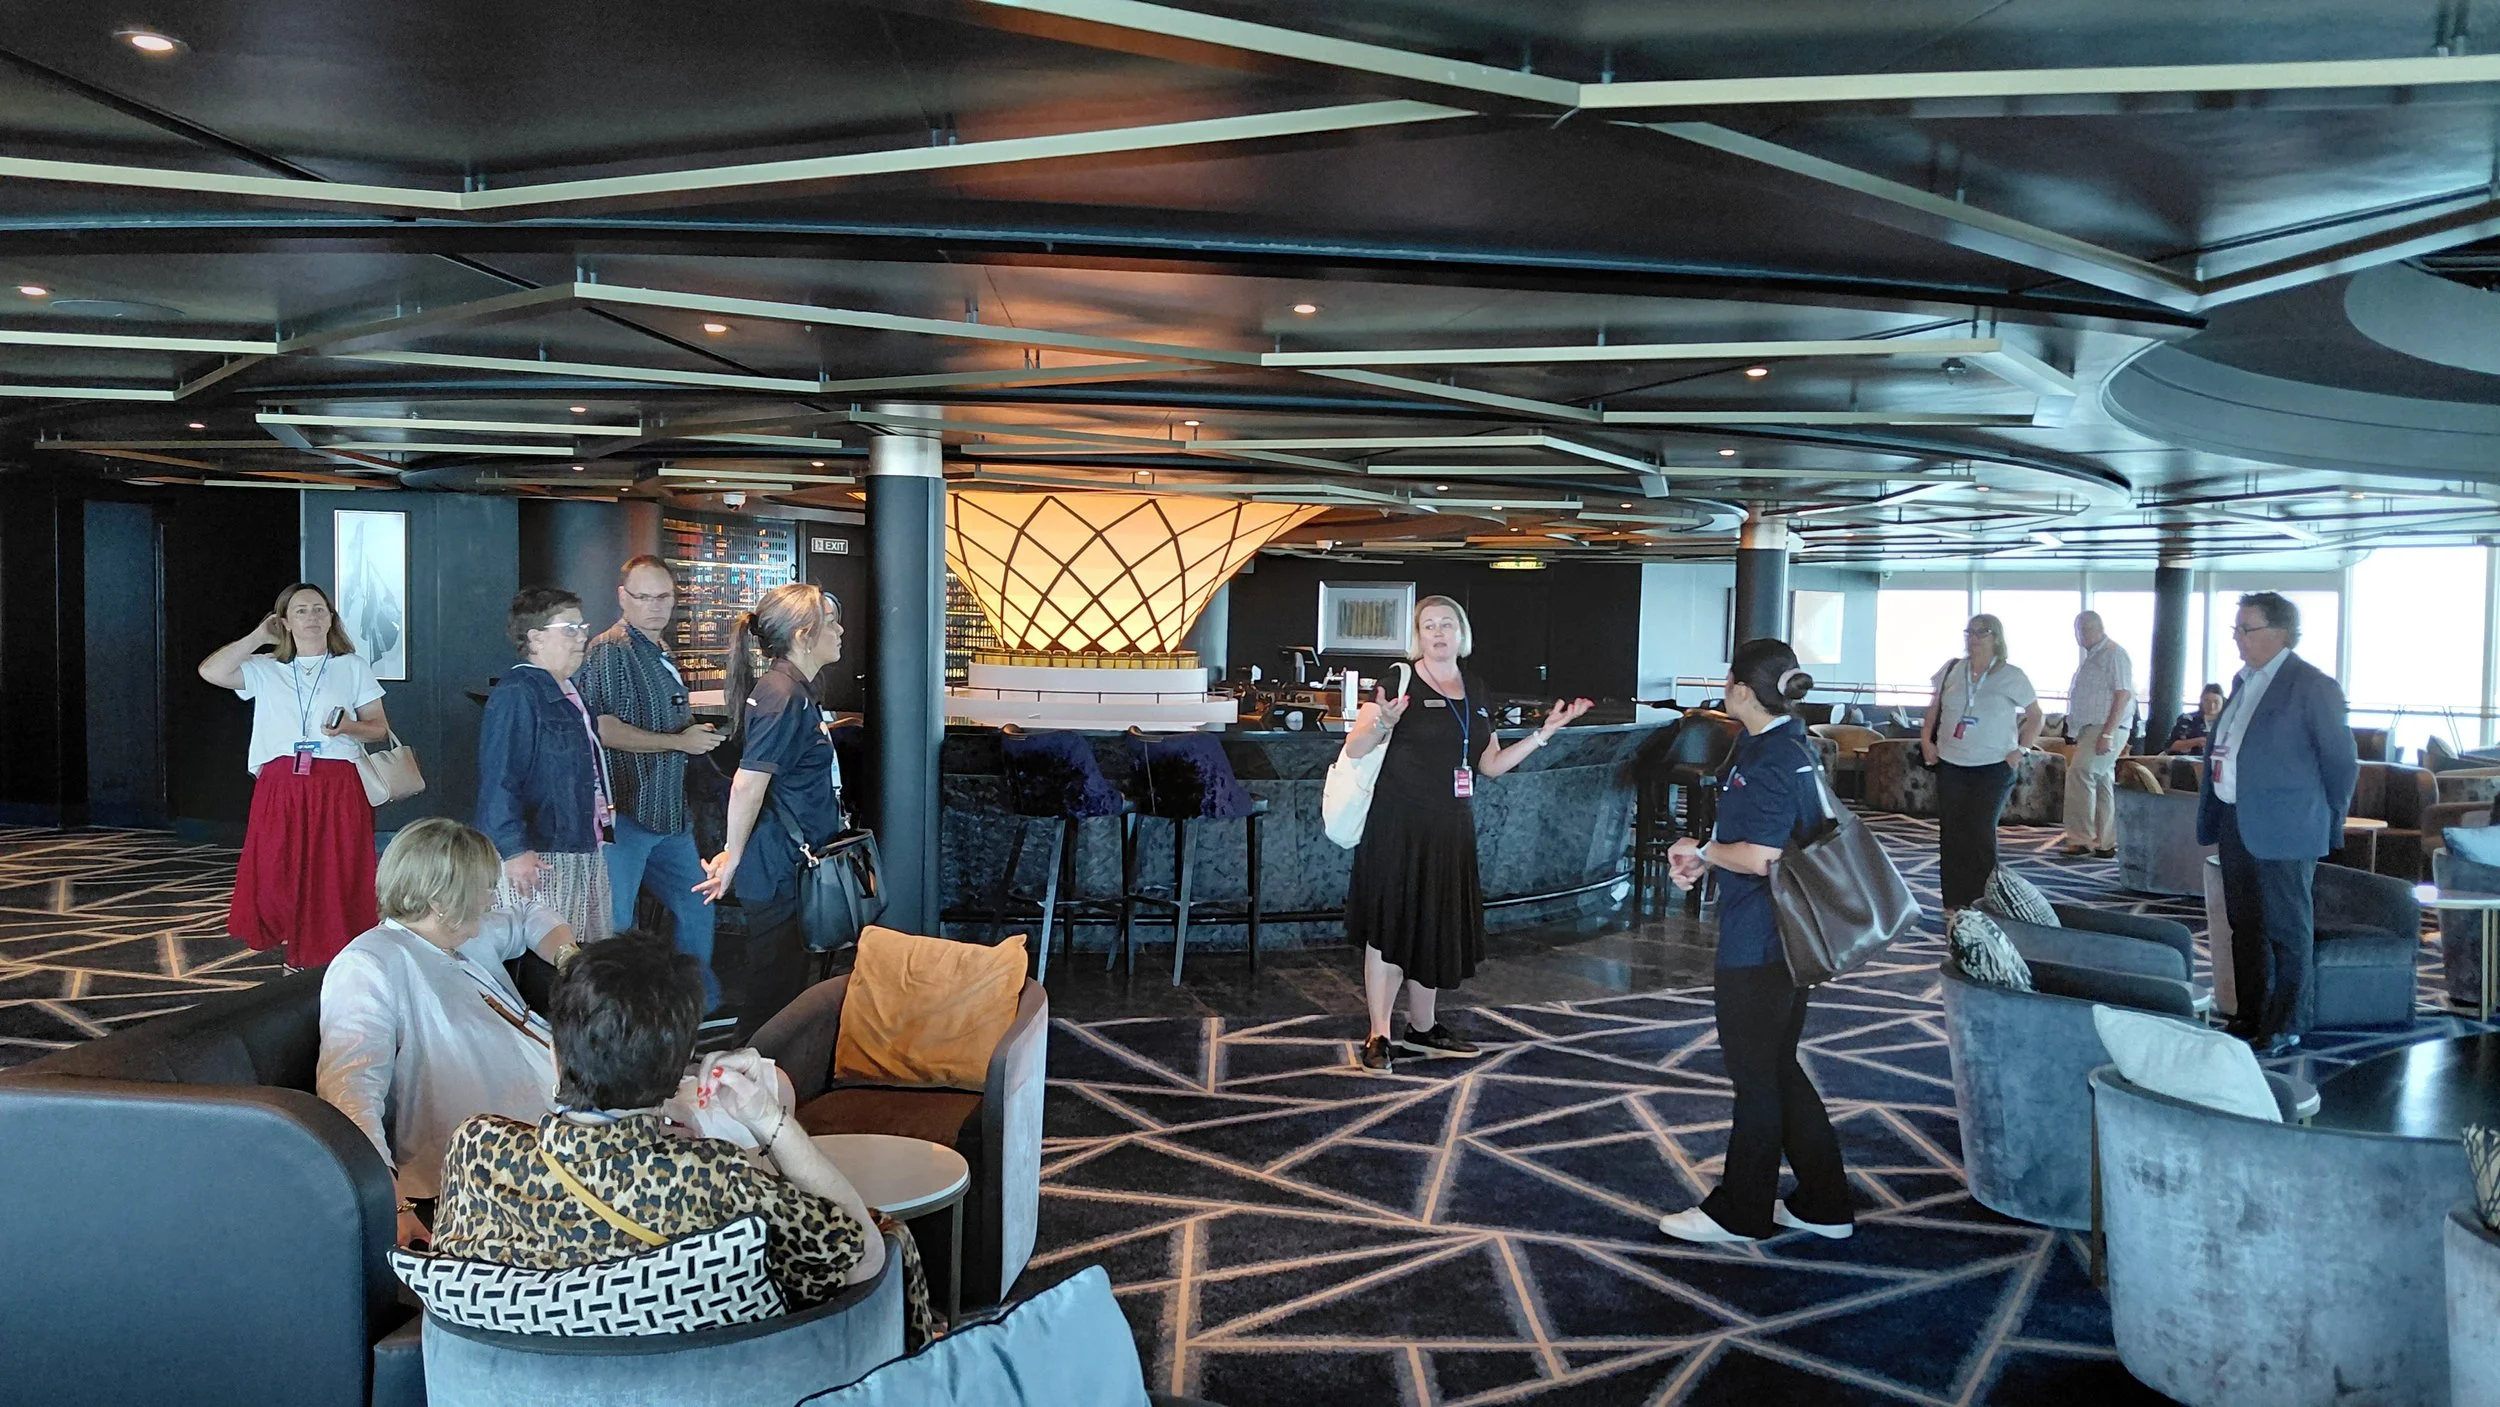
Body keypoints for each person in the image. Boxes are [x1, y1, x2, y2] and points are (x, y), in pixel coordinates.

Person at [429, 933, 939, 1345]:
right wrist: (768, 1119)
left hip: (511, 1389)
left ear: (556, 1055)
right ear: (677, 1076)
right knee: (889, 1232)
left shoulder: (477, 1151)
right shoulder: (715, 1178)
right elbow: (862, 1254)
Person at [1341, 594, 1592, 1073]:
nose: (1438, 633)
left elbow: (1489, 764)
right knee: (1390, 928)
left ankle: (1423, 1029)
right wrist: (1382, 725)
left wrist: (1544, 733)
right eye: (1429, 625)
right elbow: (1355, 747)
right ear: (1418, 636)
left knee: (1434, 925)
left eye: (1447, 624)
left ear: (1461, 634)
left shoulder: (1475, 688)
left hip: (1452, 827)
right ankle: (1379, 1034)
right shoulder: (1397, 680)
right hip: (1398, 826)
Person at [1656, 638, 1853, 1244]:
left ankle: (1741, 1210)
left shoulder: (1771, 756)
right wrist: (1708, 857)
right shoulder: (1783, 743)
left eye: (1728, 680)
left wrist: (1701, 850)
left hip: (1764, 938)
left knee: (1756, 1075)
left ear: (1741, 688)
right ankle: (1824, 1202)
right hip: (1782, 932)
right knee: (1776, 1067)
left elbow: (1764, 856)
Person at [317, 819, 578, 1248]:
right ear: (441, 900)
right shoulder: (369, 963)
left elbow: (529, 914)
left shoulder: (463, 936)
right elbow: (350, 1092)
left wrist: (571, 960)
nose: (491, 898)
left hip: (560, 1121)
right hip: (488, 1163)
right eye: (484, 888)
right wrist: (390, 1202)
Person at [198, 583, 392, 969]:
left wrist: (348, 728)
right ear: (284, 621)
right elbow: (211, 671)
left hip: (338, 781)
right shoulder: (266, 667)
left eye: (319, 609)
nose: (311, 617)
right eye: (300, 610)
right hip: (281, 781)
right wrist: (259, 635)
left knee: (334, 869)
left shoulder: (351, 666)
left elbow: (379, 729)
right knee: (278, 865)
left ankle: (331, 952)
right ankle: (291, 940)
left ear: (331, 618)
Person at [2196, 592, 2356, 1057]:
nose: (2238, 638)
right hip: (2236, 819)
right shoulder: (2243, 682)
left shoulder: (2312, 686)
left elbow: (2341, 764)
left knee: (2287, 930)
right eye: (2236, 629)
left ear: (2281, 633)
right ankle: (2249, 1015)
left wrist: (2329, 820)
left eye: (2247, 629)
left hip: (2288, 827)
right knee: (2243, 926)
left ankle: (2287, 1021)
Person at [578, 556, 730, 1021]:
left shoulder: (658, 649)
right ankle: (611, 1021)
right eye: (644, 597)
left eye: (664, 596)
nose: (656, 605)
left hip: (666, 812)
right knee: (615, 926)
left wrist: (690, 735)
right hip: (625, 812)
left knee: (697, 903)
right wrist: (679, 741)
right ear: (622, 597)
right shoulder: (610, 650)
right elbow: (603, 729)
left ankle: (689, 1010)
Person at [694, 582, 848, 1036]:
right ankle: (746, 1069)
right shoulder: (782, 695)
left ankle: (770, 1069)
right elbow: (748, 783)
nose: (840, 631)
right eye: (830, 623)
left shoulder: (794, 689)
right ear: (803, 635)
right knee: (772, 996)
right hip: (779, 868)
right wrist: (732, 854)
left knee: (785, 989)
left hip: (788, 864)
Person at [477, 587, 615, 944]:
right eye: (569, 629)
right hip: (542, 853)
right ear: (535, 638)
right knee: (551, 952)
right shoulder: (518, 692)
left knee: (582, 949)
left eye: (582, 628)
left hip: (579, 845)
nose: (581, 637)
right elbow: (500, 776)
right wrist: (513, 849)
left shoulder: (566, 689)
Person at [1921, 614, 2043, 918]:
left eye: (1982, 633)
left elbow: (2035, 715)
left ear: (1996, 638)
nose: (1974, 638)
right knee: (1952, 833)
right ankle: (1953, 901)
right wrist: (1926, 740)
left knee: (1980, 833)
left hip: (1993, 766)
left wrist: (2022, 749)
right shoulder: (1952, 669)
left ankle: (1983, 901)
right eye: (1970, 632)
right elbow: (1934, 708)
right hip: (1952, 762)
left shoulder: (2012, 675)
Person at [2060, 610, 2136, 858]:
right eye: (2078, 630)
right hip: (2093, 729)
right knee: (2102, 780)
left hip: (2104, 728)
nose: (2080, 635)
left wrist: (2108, 733)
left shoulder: (2114, 653)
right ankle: (2105, 842)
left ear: (2098, 628)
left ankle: (2081, 839)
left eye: (2084, 629)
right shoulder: (2094, 656)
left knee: (2080, 773)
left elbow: (2123, 694)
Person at [2167, 684, 2227, 754]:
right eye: (2207, 701)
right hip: (2188, 759)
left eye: (2216, 702)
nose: (2211, 706)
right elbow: (2171, 746)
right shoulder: (2187, 719)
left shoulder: (2230, 722)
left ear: (2223, 702)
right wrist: (2196, 742)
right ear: (2201, 702)